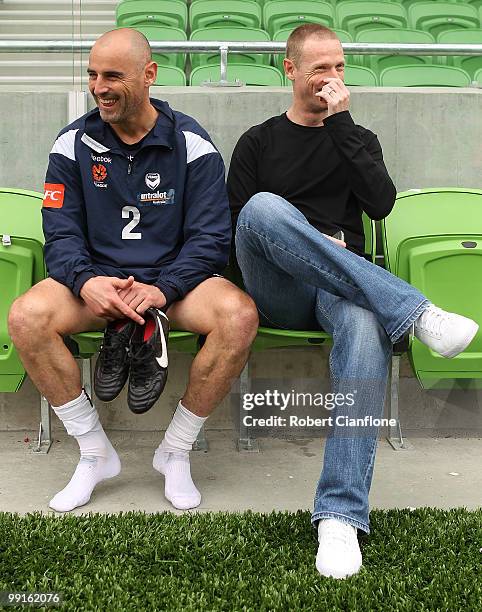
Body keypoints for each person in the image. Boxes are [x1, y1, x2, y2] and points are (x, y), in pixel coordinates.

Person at [227, 23, 478, 579]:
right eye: (319, 68)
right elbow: (237, 231)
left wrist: (341, 124)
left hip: (343, 291)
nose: (331, 78)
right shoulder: (258, 141)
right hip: (280, 290)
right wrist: (315, 242)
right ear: (290, 70)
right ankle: (416, 312)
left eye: (339, 67)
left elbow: (381, 205)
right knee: (264, 208)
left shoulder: (356, 137)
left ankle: (340, 518)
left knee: (366, 325)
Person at [8, 28, 258, 514]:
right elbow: (59, 233)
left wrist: (162, 289)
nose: (99, 86)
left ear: (149, 76)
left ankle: (176, 450)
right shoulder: (72, 143)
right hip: (96, 284)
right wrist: (85, 281)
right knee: (26, 317)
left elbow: (210, 239)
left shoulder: (192, 142)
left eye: (113, 76)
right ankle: (94, 452)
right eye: (92, 75)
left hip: (172, 287)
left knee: (239, 316)